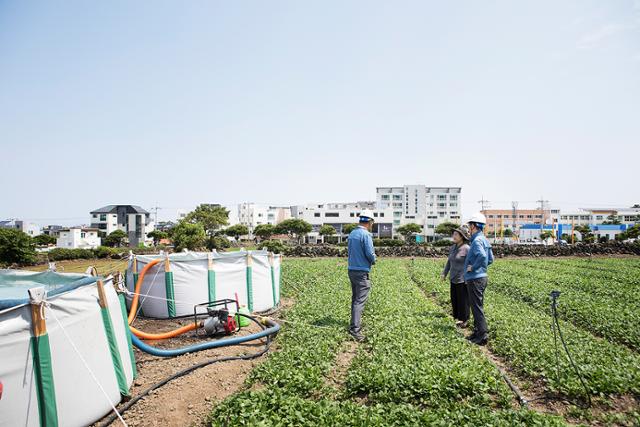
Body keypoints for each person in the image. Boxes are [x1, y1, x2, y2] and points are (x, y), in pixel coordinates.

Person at [463, 212, 494, 346]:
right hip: (482, 277)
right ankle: (476, 332)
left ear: (474, 226)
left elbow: (482, 257)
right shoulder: (484, 239)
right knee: (477, 306)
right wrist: (481, 268)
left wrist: (474, 268)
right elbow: (491, 259)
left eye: (470, 225)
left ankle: (482, 335)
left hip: (475, 279)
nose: (468, 228)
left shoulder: (476, 241)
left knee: (476, 307)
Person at [347, 209, 376, 342]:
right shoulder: (366, 235)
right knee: (360, 300)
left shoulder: (352, 233)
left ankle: (353, 324)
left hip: (351, 269)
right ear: (369, 222)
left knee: (355, 298)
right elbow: (370, 254)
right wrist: (374, 259)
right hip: (361, 270)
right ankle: (355, 329)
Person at [441, 226, 470, 327]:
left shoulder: (467, 248)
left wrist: (470, 270)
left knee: (463, 301)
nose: (454, 236)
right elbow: (449, 261)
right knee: (455, 299)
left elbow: (472, 262)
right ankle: (458, 318)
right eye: (453, 234)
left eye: (456, 234)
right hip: (453, 278)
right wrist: (444, 273)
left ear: (462, 236)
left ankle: (464, 320)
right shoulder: (453, 247)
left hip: (462, 279)